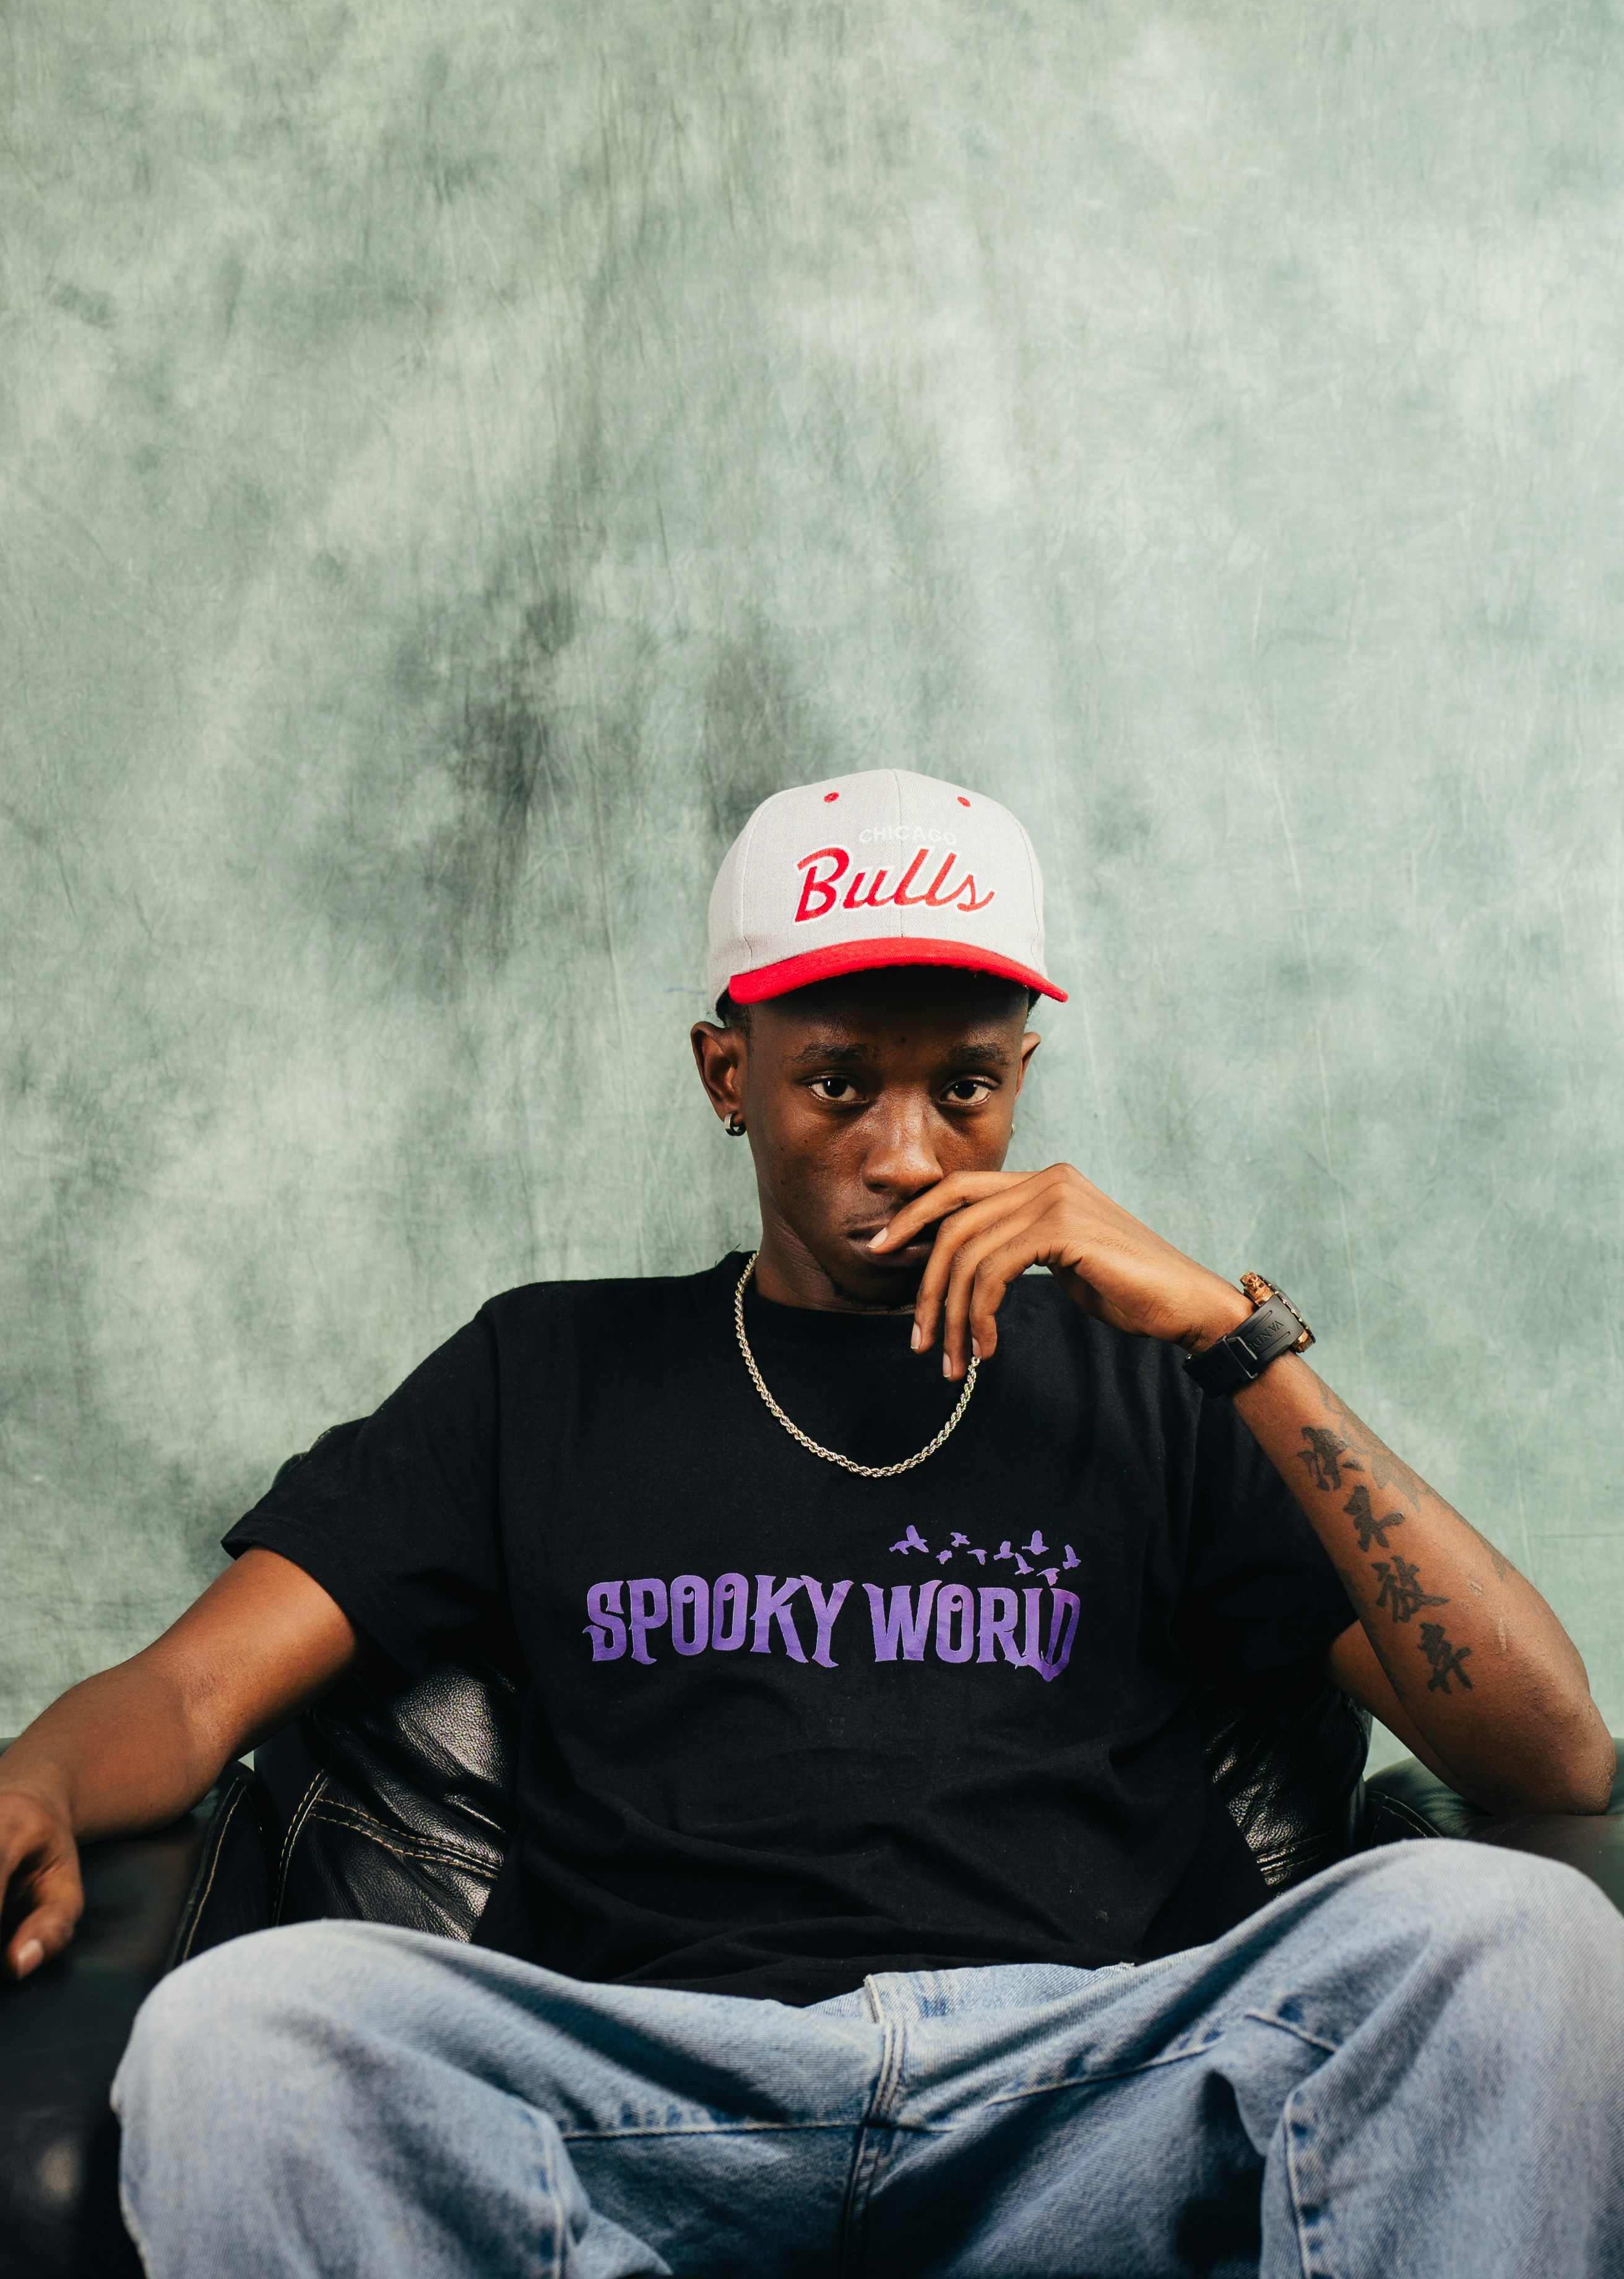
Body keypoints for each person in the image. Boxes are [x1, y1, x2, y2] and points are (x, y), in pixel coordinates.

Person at [2, 768, 1620, 2279]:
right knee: (241, 2033)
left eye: (965, 1088)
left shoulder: (1159, 1388)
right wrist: (41, 1777)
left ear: (1022, 1081)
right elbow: (192, 1692)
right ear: (732, 1073)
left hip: (1088, 2088)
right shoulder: (543, 1371)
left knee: (1518, 1933)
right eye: (840, 1082)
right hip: (654, 2103)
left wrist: (1228, 1335)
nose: (904, 1155)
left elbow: (1552, 1761)